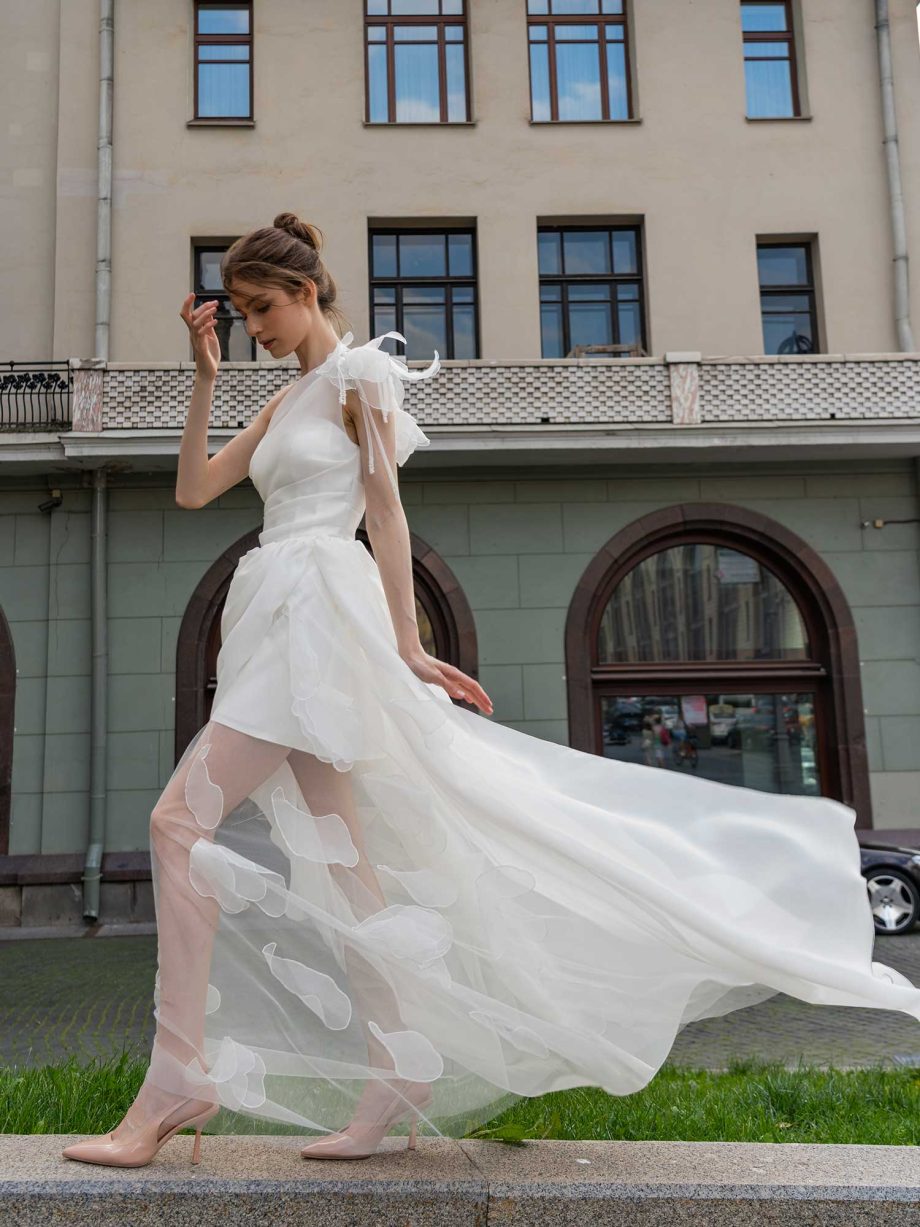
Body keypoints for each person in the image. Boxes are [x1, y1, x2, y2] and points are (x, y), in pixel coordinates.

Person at [62, 213, 920, 1170]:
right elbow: (194, 490)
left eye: (264, 309)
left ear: (308, 293)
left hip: (316, 614)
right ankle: (398, 1068)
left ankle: (179, 1075)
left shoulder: (358, 376)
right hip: (273, 606)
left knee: (179, 824)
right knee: (345, 865)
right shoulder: (289, 391)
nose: (256, 327)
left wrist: (407, 644)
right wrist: (208, 378)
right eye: (247, 313)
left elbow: (385, 512)